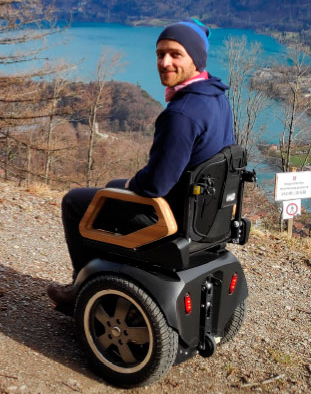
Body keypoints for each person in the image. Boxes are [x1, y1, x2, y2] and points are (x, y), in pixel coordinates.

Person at [48, 18, 235, 305]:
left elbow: (155, 185)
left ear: (195, 59)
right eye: (160, 54)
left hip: (168, 216)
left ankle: (80, 287)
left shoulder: (182, 114)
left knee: (75, 202)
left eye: (175, 54)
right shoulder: (216, 97)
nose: (164, 62)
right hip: (204, 215)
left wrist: (132, 183)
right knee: (111, 189)